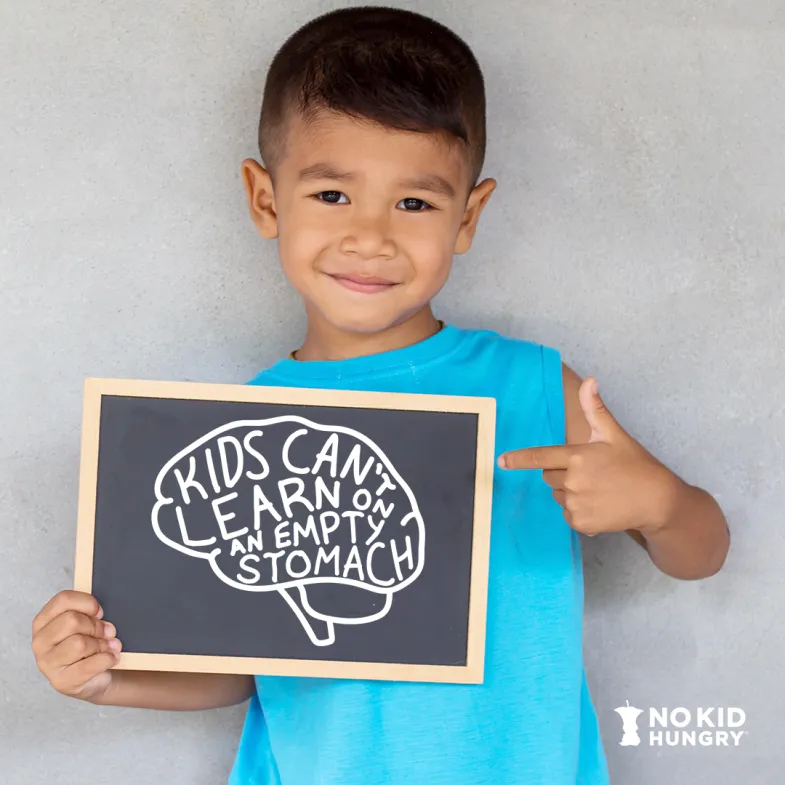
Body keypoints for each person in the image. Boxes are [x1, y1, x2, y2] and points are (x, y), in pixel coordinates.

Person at [31, 6, 730, 784]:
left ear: (467, 216)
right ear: (266, 200)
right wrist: (106, 676)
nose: (371, 236)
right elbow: (253, 657)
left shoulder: (536, 388)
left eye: (415, 203)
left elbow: (702, 551)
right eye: (332, 195)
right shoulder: (245, 427)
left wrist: (660, 503)